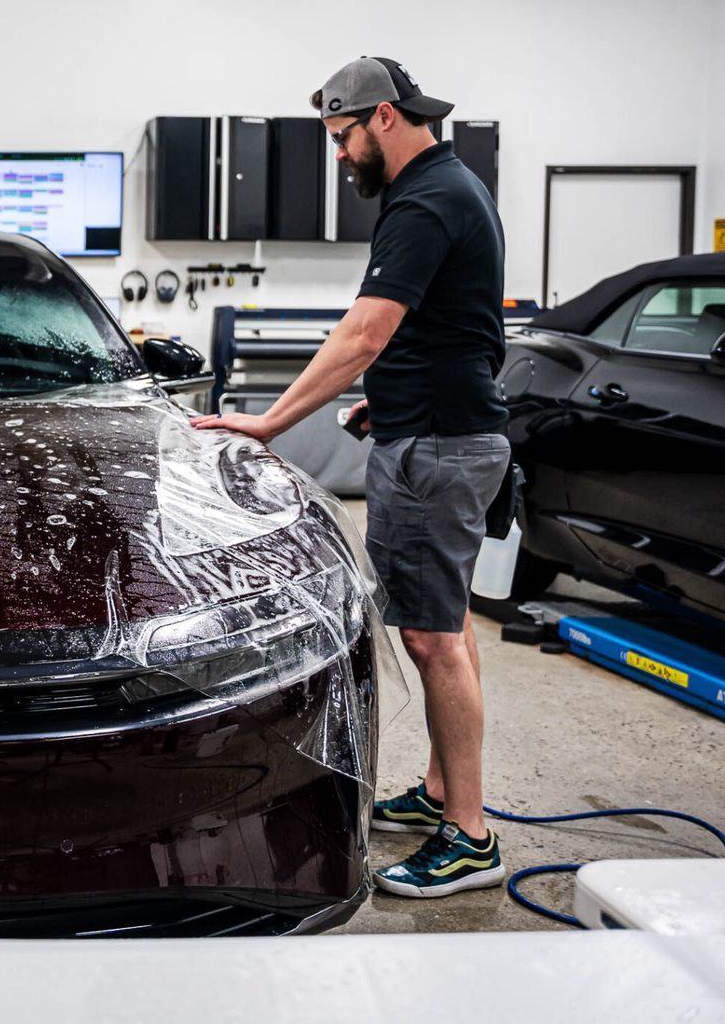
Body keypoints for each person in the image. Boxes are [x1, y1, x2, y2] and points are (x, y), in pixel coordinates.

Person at [192, 57, 511, 898]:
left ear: (382, 118)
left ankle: (472, 838)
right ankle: (446, 791)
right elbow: (446, 332)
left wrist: (268, 421)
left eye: (342, 137)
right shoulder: (450, 187)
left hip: (439, 451)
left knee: (432, 639)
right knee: (450, 623)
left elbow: (365, 332)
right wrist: (390, 400)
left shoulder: (425, 200)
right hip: (441, 432)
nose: (339, 157)